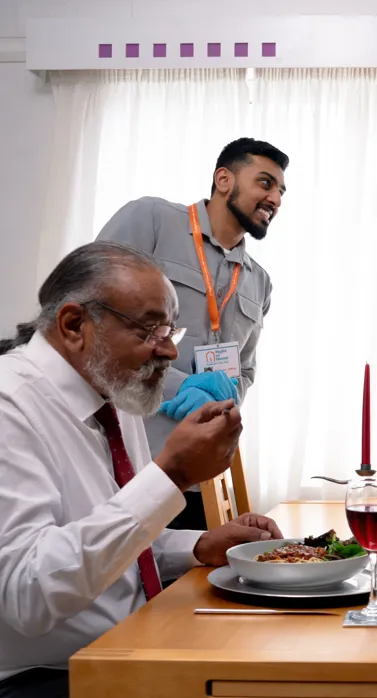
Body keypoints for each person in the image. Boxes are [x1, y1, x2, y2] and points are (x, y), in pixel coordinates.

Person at [0, 242, 326, 698]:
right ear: (74, 323)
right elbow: (27, 594)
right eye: (150, 330)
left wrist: (198, 546)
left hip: (118, 658)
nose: (169, 353)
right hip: (28, 687)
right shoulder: (10, 406)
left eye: (170, 331)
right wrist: (170, 474)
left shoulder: (112, 394)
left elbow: (103, 537)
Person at [97, 137, 288, 530]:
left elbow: (246, 369)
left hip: (201, 476)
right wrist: (179, 388)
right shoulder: (150, 220)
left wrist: (227, 398)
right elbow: (98, 319)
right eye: (265, 183)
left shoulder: (260, 282)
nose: (276, 199)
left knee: (194, 583)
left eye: (282, 191)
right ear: (224, 180)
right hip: (131, 464)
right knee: (131, 587)